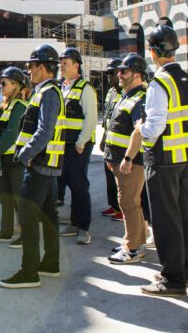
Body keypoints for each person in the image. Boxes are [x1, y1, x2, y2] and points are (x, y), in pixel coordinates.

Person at [133, 25, 188, 296]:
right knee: (185, 213)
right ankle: (187, 272)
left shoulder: (159, 83)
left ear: (152, 51)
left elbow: (155, 127)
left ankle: (172, 279)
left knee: (165, 220)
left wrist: (140, 127)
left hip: (164, 159)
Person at [0, 45, 65, 289]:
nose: (28, 70)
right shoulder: (45, 91)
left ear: (41, 67)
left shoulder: (48, 92)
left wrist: (24, 155)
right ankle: (50, 263)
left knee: (27, 215)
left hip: (40, 164)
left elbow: (44, 131)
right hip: (46, 164)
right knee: (48, 215)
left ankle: (29, 271)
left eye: (30, 66)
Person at [104, 54, 148, 264]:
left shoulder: (140, 98)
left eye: (124, 71)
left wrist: (128, 158)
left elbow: (138, 131)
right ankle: (136, 242)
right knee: (132, 203)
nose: (118, 74)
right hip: (120, 160)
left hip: (129, 162)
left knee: (128, 203)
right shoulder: (127, 95)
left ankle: (131, 249)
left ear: (137, 74)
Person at [58, 48, 98, 245]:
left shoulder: (86, 88)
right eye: (61, 63)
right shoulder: (63, 87)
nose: (61, 66)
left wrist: (81, 142)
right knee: (70, 182)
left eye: (65, 63)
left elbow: (91, 118)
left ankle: (84, 227)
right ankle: (74, 222)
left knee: (79, 186)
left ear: (76, 65)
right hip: (64, 144)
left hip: (77, 145)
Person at [0, 67, 28, 248]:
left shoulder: (20, 106)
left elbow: (11, 134)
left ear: (16, 85)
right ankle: (6, 230)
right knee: (6, 197)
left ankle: (26, 234)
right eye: (0, 82)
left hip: (16, 160)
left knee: (19, 198)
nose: (0, 86)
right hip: (5, 159)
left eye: (4, 83)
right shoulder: (5, 105)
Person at [100, 58, 123, 221]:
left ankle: (122, 209)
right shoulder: (110, 92)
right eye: (107, 73)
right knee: (109, 175)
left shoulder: (125, 91)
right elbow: (107, 117)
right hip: (109, 139)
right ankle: (114, 205)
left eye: (112, 73)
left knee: (121, 180)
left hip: (121, 143)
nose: (109, 76)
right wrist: (103, 138)